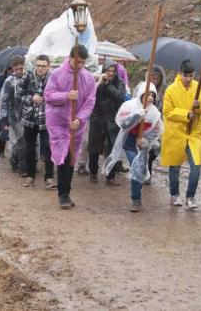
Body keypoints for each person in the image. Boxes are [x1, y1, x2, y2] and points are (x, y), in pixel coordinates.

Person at [44, 45, 96, 209]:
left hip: (76, 125)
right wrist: (66, 96)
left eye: (83, 62)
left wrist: (79, 119)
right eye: (78, 61)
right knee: (63, 156)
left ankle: (67, 191)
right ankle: (63, 194)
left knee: (72, 157)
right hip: (58, 122)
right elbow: (48, 95)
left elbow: (90, 102)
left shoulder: (88, 78)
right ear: (71, 57)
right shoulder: (56, 74)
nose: (80, 65)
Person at [107, 82, 164, 212]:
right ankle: (136, 200)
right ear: (141, 94)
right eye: (147, 94)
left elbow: (157, 130)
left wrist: (145, 139)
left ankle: (137, 195)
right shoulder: (129, 106)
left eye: (152, 95)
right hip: (129, 141)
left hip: (142, 144)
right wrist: (137, 115)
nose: (150, 98)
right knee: (136, 165)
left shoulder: (154, 113)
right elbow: (122, 122)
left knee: (139, 168)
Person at [161, 60, 201, 210]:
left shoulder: (199, 88)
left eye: (191, 76)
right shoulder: (171, 90)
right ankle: (174, 194)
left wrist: (199, 106)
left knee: (196, 166)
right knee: (175, 165)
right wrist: (186, 114)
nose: (189, 78)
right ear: (180, 74)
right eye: (186, 75)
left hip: (194, 133)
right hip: (176, 132)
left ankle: (190, 196)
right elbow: (167, 112)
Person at [18, 54, 55, 188]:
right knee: (30, 148)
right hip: (30, 118)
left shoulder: (53, 77)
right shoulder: (27, 76)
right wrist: (31, 98)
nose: (40, 68)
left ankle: (49, 177)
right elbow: (19, 95)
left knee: (49, 148)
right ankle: (30, 176)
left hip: (47, 118)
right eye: (38, 65)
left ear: (48, 66)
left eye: (43, 66)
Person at [87, 59, 127, 185]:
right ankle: (93, 171)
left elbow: (120, 96)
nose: (110, 73)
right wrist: (100, 83)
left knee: (111, 147)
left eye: (113, 71)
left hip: (112, 118)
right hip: (98, 116)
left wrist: (108, 85)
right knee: (94, 147)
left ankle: (111, 175)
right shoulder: (97, 80)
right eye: (108, 71)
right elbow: (90, 94)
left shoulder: (119, 82)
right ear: (103, 70)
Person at [0, 56, 26, 174]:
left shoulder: (30, 78)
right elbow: (3, 100)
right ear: (12, 69)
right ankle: (21, 164)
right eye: (17, 69)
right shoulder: (9, 81)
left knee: (33, 141)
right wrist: (4, 118)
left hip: (30, 114)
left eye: (21, 68)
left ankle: (30, 162)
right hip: (15, 115)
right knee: (22, 140)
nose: (19, 71)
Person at [144, 65, 168, 183]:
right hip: (146, 122)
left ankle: (147, 166)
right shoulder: (144, 88)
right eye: (153, 78)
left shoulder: (165, 90)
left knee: (157, 149)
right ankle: (147, 174)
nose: (155, 81)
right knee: (146, 148)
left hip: (159, 123)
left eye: (157, 78)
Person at [0, 65, 12, 158]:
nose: (12, 71)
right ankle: (1, 150)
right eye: (11, 69)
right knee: (4, 132)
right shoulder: (2, 77)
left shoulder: (21, 78)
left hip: (14, 110)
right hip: (3, 107)